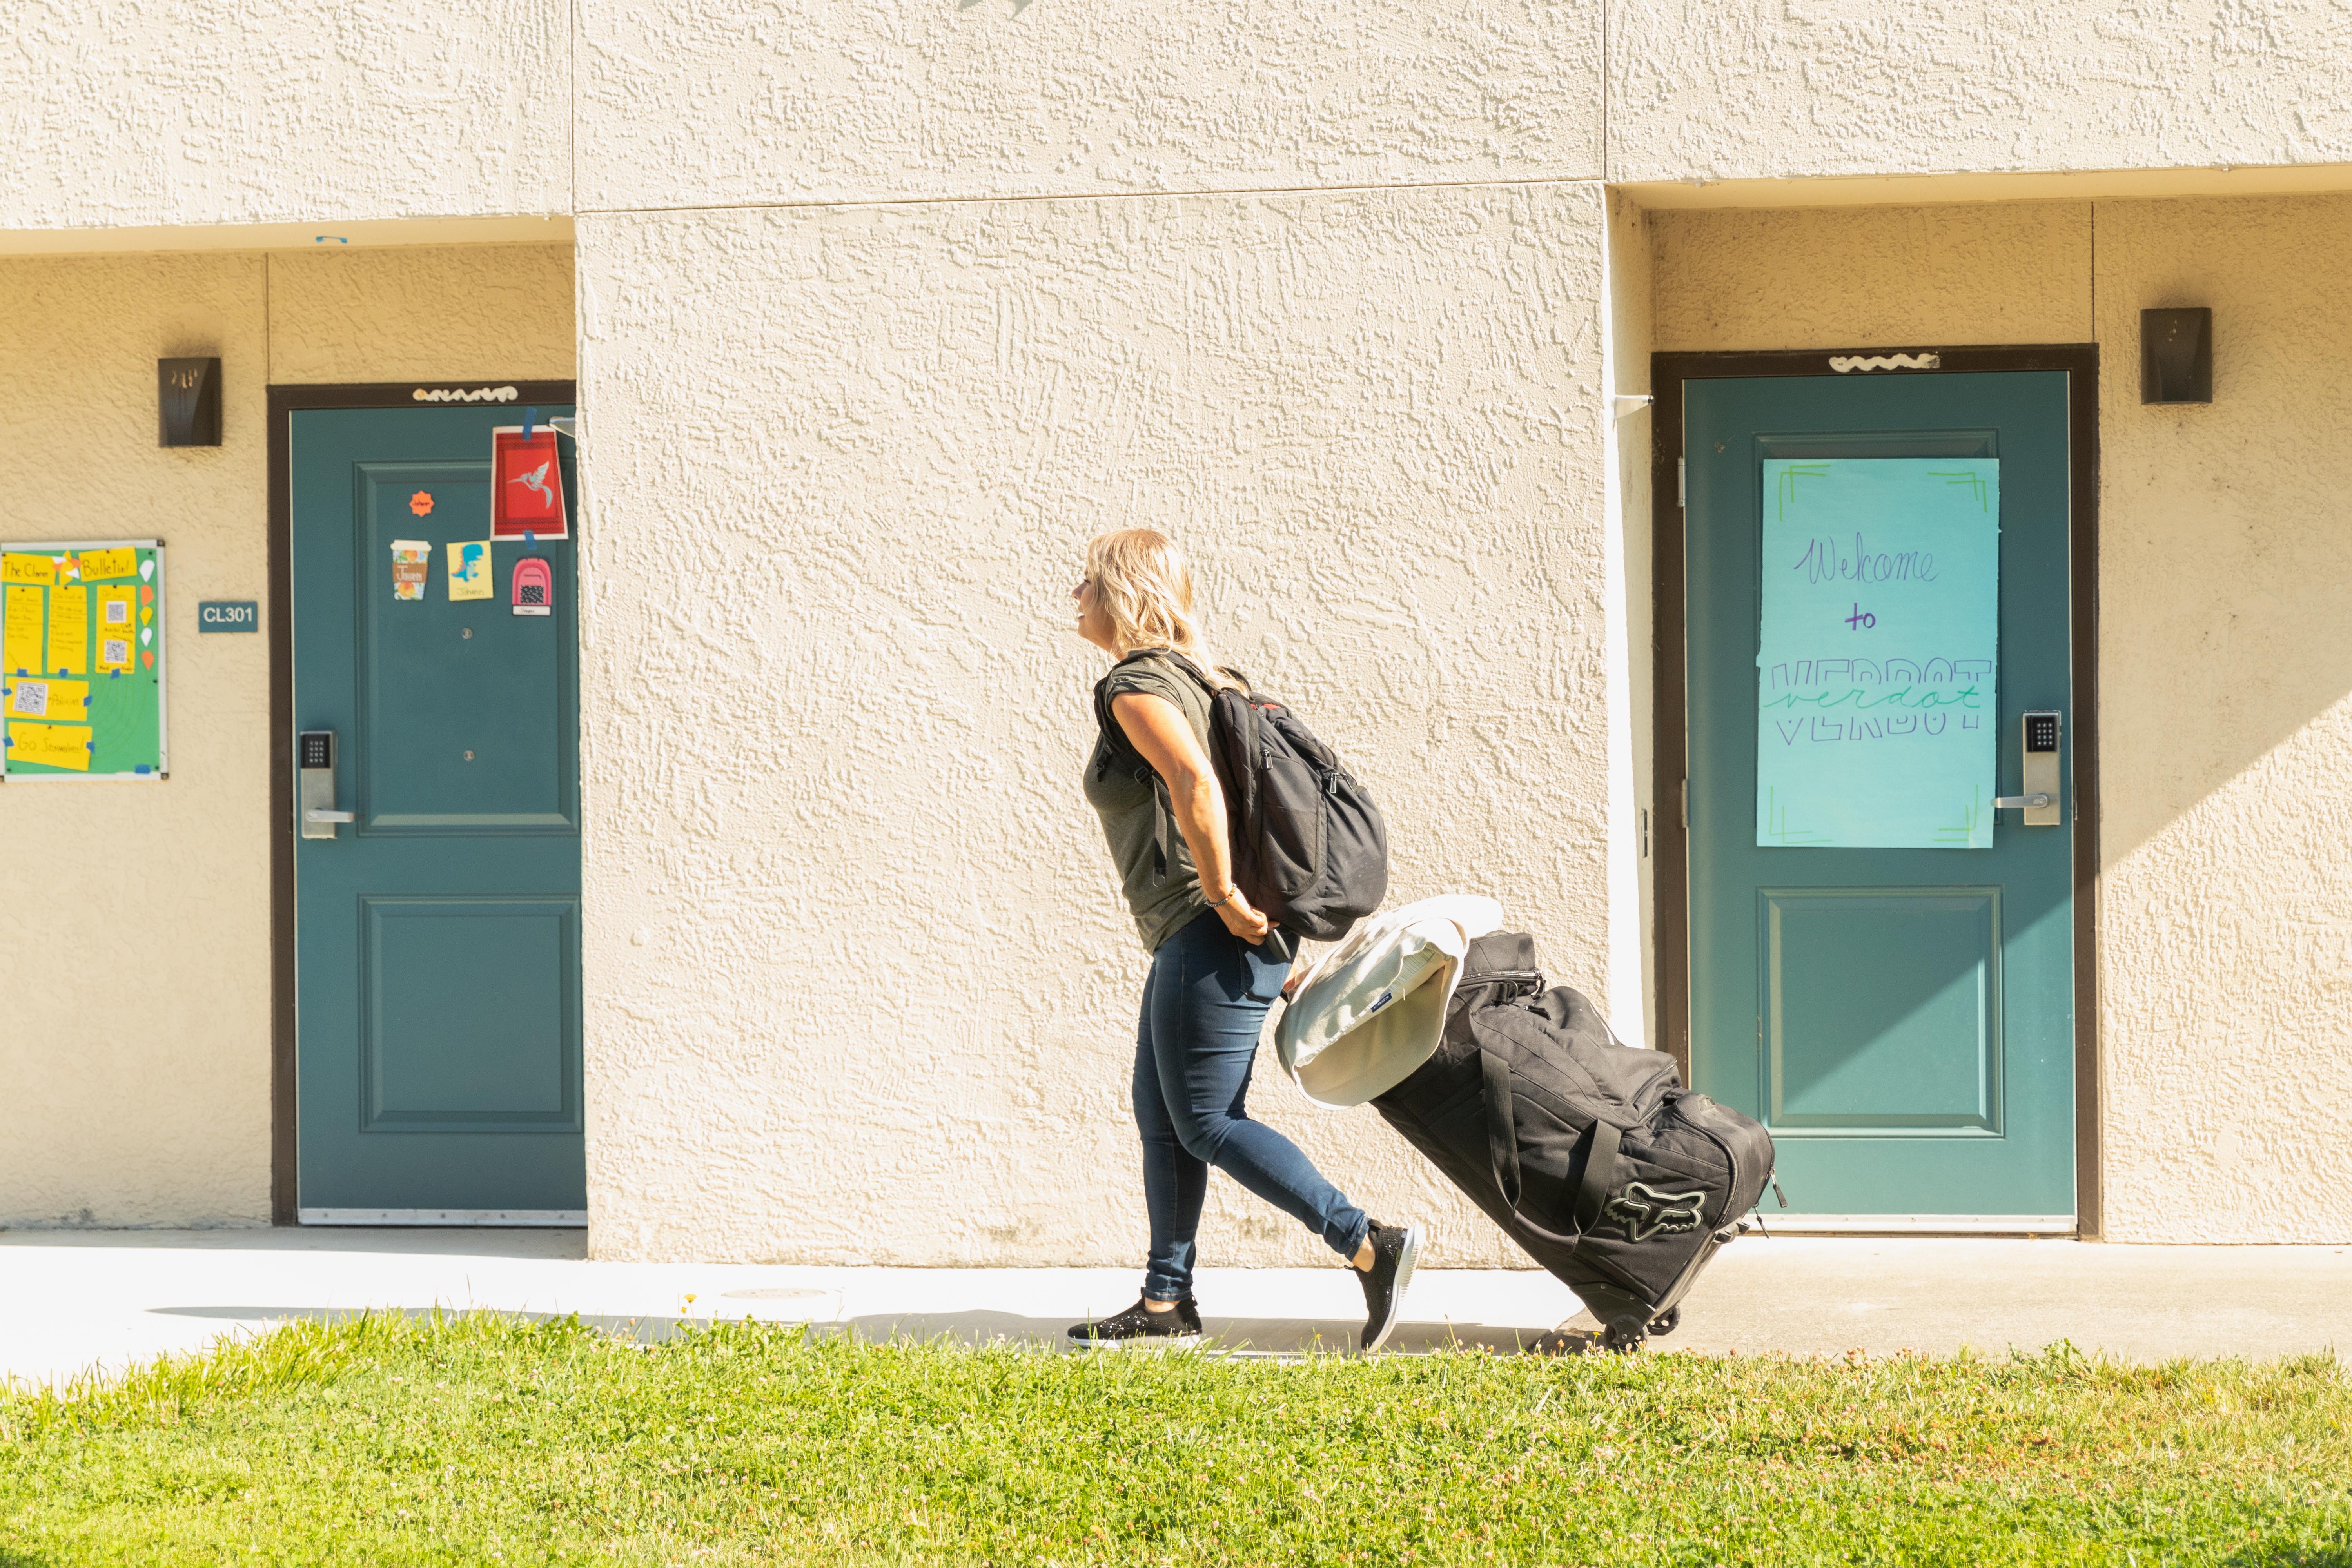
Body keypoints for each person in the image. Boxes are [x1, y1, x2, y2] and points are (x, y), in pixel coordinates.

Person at [1065, 527, 1423, 1353]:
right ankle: (1164, 1303)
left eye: (1086, 581)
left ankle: (1369, 1242)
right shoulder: (1204, 678)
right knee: (1164, 1116)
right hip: (1204, 933)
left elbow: (1196, 781)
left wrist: (1225, 894)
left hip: (1207, 926)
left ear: (1122, 592)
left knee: (1206, 1121)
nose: (1074, 596)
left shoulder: (1135, 685)